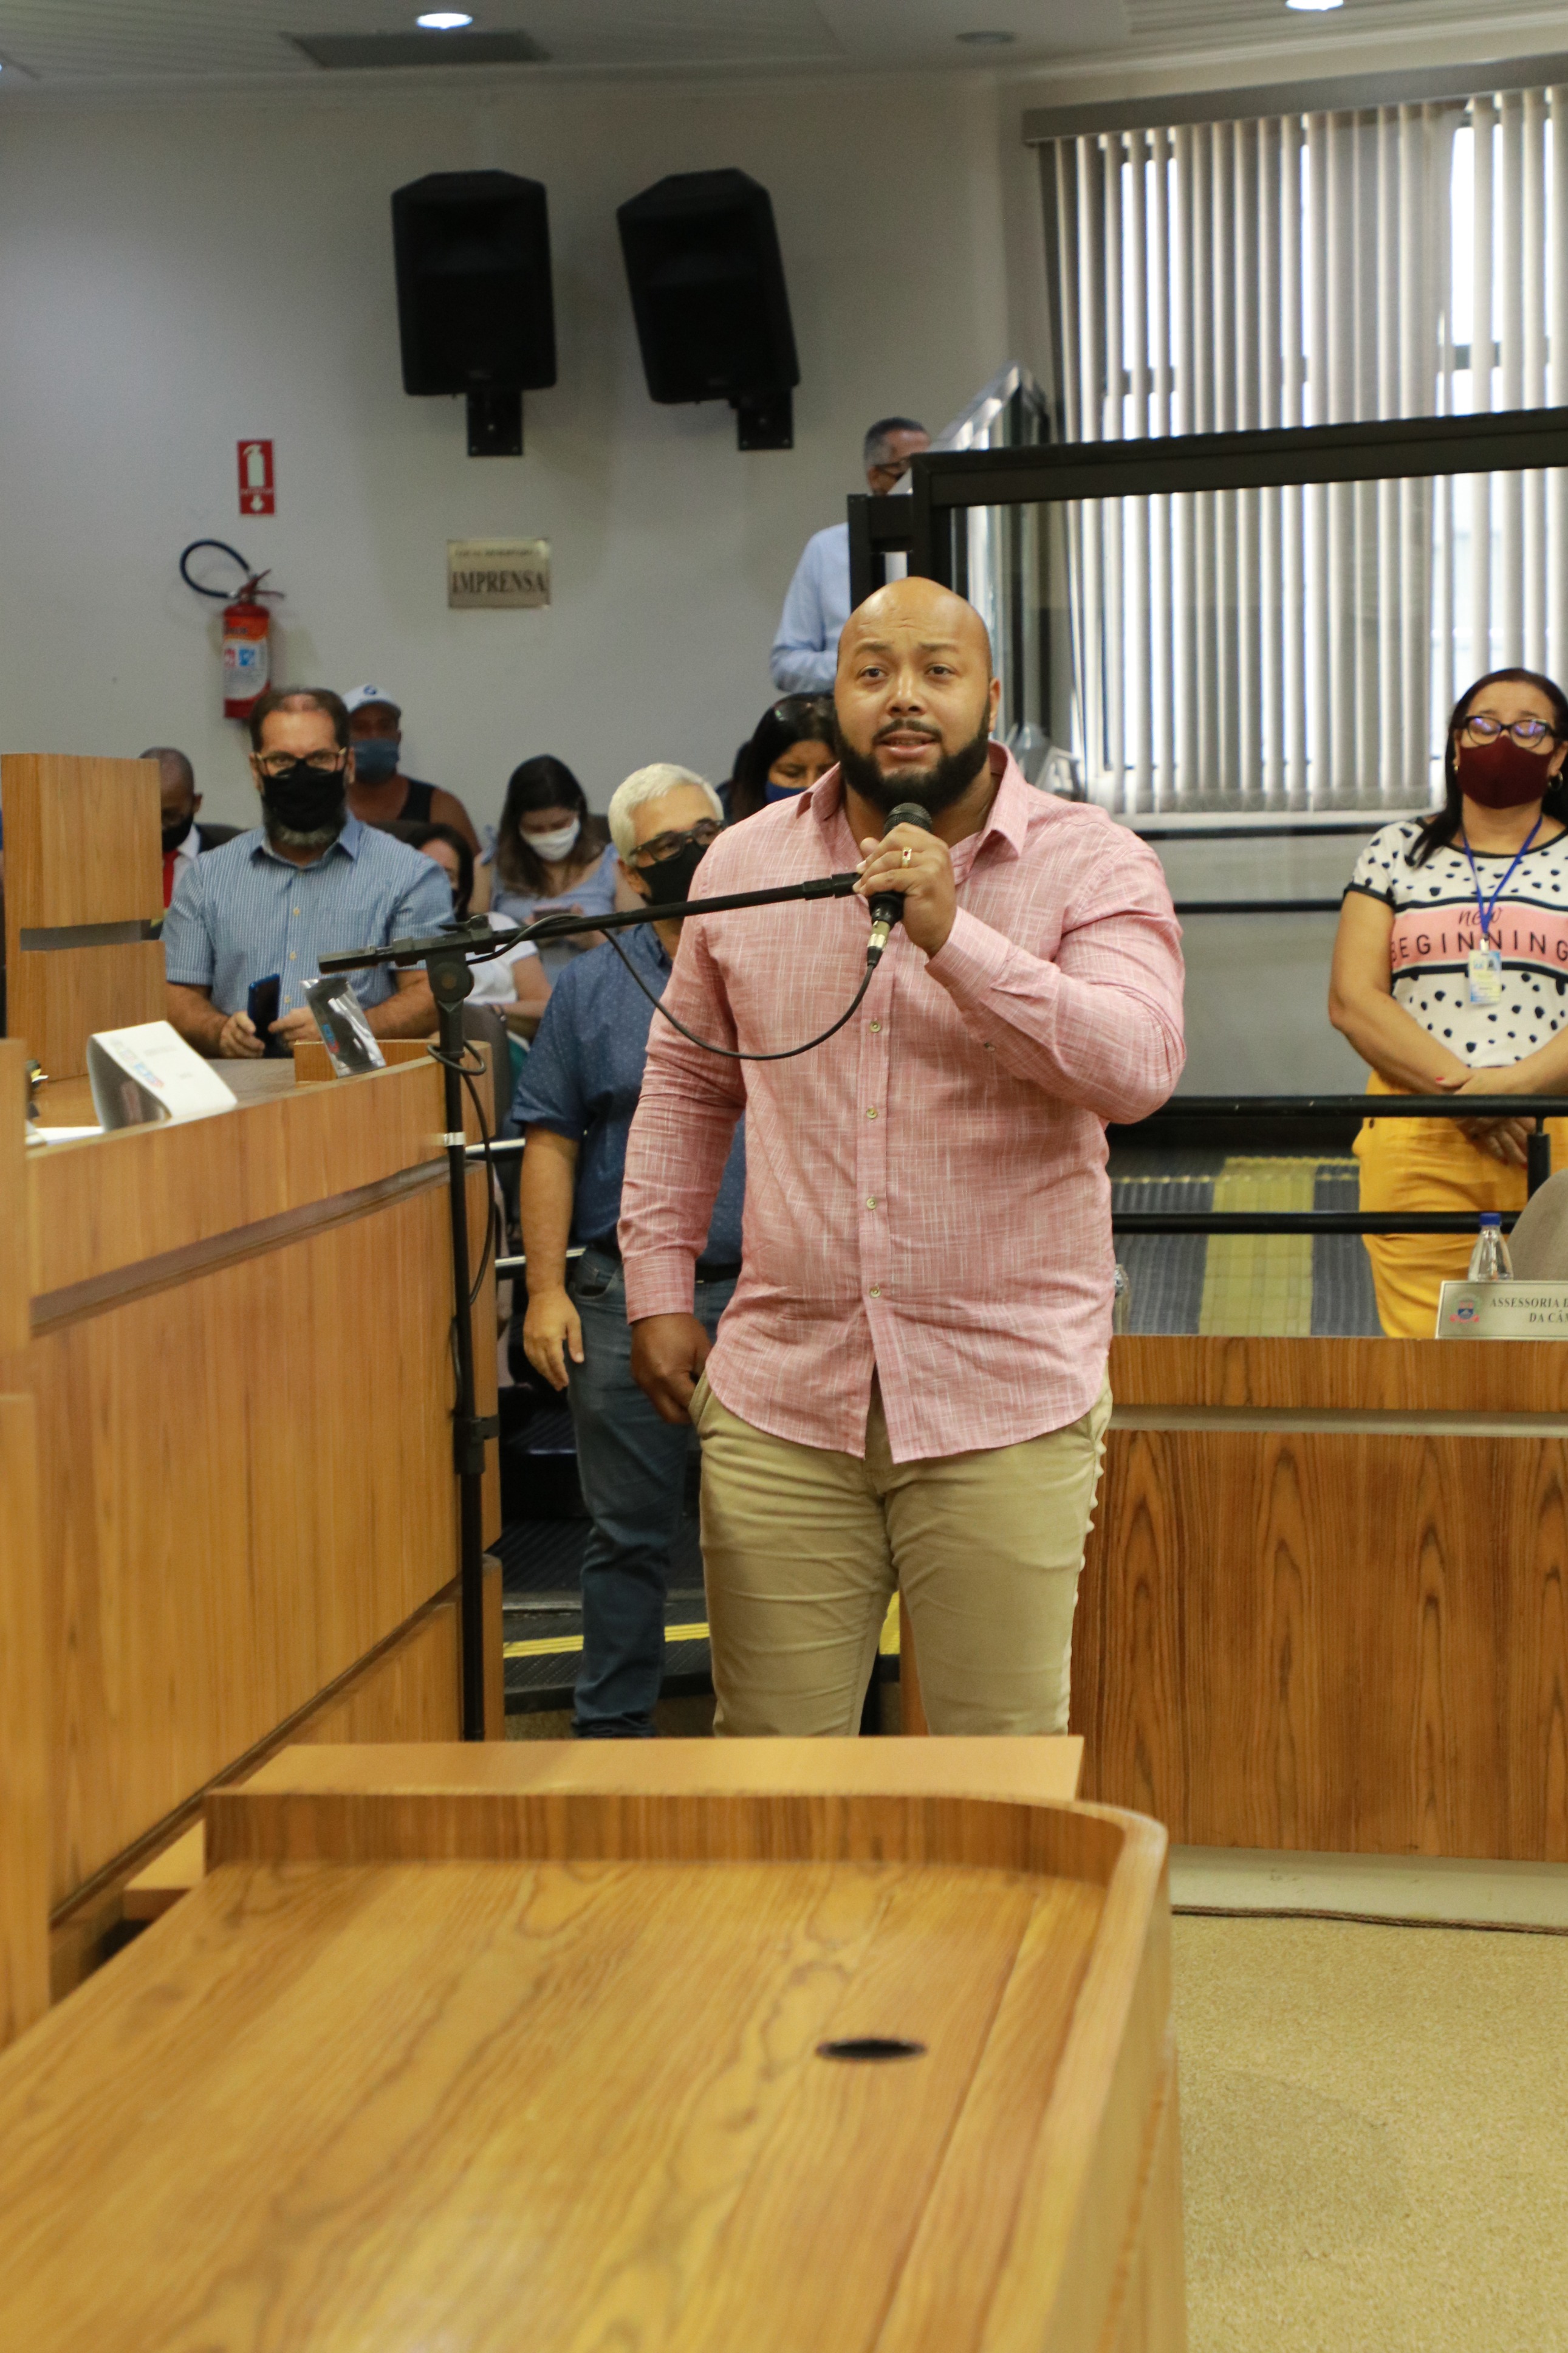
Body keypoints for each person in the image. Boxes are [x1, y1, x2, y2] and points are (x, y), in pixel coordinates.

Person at [619, 575, 1185, 1740]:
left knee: (996, 1774)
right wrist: (657, 1285)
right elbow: (687, 1084)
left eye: (937, 670)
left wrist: (953, 937)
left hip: (1003, 1396)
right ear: (835, 699)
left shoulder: (1092, 862)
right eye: (872, 672)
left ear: (992, 697)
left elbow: (1136, 1068)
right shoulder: (741, 863)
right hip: (783, 1396)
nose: (904, 697)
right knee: (773, 1776)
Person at [515, 762, 743, 1739]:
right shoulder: (591, 988)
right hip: (619, 1301)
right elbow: (551, 1140)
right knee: (626, 1539)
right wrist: (545, 1290)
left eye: (705, 835)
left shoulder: (781, 957)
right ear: (630, 868)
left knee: (782, 1538)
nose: (692, 856)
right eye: (666, 847)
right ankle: (609, 1744)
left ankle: (795, 1748)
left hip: (766, 1296)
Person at [1330, 665, 1568, 1338]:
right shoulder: (1394, 852)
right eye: (1483, 725)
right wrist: (1466, 1096)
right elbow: (1353, 998)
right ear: (1455, 744)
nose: (1503, 741)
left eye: (1529, 729)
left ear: (1558, 756)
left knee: (1554, 1363)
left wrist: (1507, 1092)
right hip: (1419, 1135)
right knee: (1429, 1358)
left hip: (1556, 1135)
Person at [163, 686, 448, 1058]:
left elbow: (432, 993)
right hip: (242, 1084)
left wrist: (344, 1027)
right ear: (257, 771)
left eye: (320, 759)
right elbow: (175, 993)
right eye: (281, 760)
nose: (301, 776)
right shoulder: (207, 877)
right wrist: (219, 1031)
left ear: (348, 766)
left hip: (357, 1084)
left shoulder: (410, 875)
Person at [769, 416, 930, 694]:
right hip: (853, 710)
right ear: (876, 477)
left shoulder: (954, 543)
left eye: (928, 471)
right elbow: (786, 665)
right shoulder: (827, 549)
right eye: (909, 471)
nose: (922, 484)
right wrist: (860, 667)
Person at [391, 818, 550, 1037]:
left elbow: (545, 1007)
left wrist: (486, 1015)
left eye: (446, 875)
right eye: (424, 872)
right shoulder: (388, 937)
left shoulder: (498, 925)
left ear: (463, 887)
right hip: (422, 1043)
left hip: (501, 1040)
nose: (432, 884)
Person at [487, 755, 636, 981]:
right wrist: (521, 940)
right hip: (521, 998)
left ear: (579, 810)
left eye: (559, 825)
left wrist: (595, 940)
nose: (548, 836)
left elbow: (644, 960)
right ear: (516, 824)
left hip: (601, 991)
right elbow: (475, 963)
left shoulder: (615, 865)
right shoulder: (489, 868)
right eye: (535, 829)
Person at [343, 685, 481, 854]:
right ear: (341, 740)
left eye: (385, 726)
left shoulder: (440, 808)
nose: (374, 736)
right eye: (360, 727)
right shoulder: (323, 806)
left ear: (398, 737)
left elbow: (474, 869)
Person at [143, 746, 239, 908]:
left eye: (171, 816)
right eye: (149, 815)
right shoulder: (112, 857)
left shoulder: (233, 856)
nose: (160, 827)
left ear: (196, 803)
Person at [728, 695, 838, 821]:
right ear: (761, 776)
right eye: (792, 774)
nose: (810, 786)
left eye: (828, 773)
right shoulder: (731, 833)